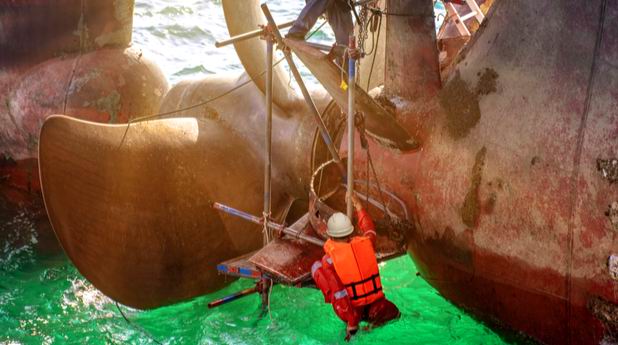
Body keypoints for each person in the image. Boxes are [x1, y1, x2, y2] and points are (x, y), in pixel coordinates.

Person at [311, 195, 400, 341]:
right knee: (394, 315)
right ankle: (372, 327)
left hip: (353, 312)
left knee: (316, 267)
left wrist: (352, 323)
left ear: (331, 235)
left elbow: (339, 293)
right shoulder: (367, 244)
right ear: (350, 232)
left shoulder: (329, 260)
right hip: (377, 307)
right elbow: (370, 229)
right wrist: (359, 207)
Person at [286, 0, 354, 47]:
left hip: (340, 4)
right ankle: (296, 33)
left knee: (346, 46)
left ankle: (343, 66)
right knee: (346, 46)